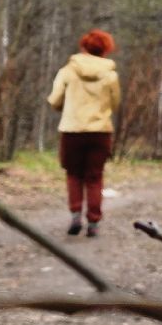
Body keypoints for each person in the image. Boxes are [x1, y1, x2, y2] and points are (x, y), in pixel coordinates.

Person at [47, 30, 121, 237]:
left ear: (84, 47)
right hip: (100, 132)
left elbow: (55, 100)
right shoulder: (110, 75)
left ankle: (75, 215)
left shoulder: (68, 71)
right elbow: (115, 103)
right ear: (106, 49)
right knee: (95, 177)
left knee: (74, 174)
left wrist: (68, 108)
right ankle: (94, 223)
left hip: (72, 130)